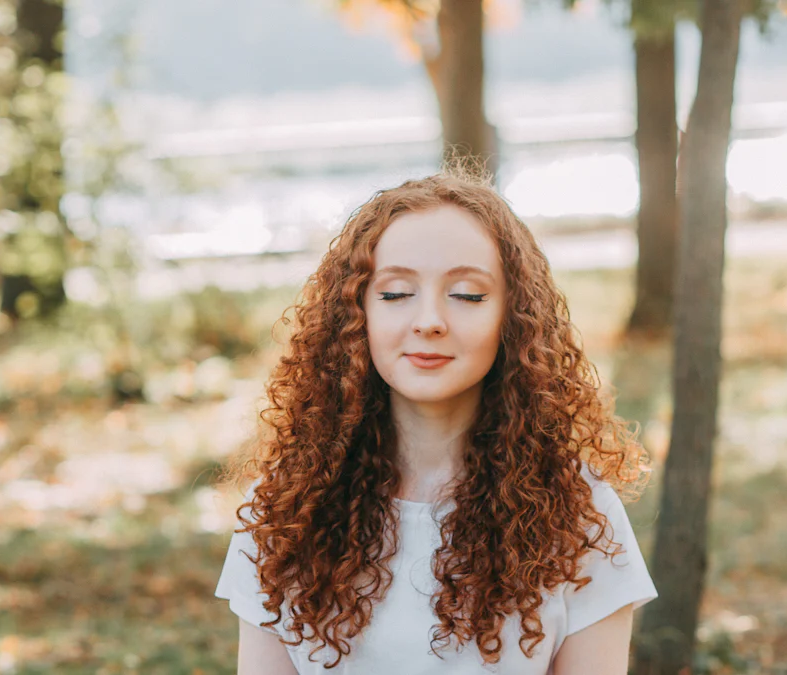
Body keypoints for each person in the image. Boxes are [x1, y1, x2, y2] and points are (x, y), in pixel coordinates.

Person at [213, 167, 658, 674]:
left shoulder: (581, 515)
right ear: (355, 315)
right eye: (396, 293)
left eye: (467, 295)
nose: (429, 320)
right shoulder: (283, 512)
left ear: (512, 317)